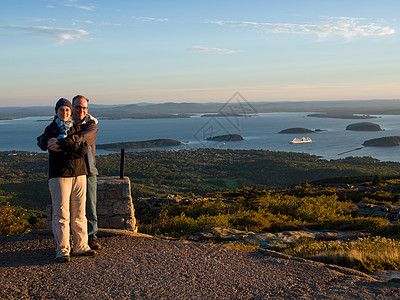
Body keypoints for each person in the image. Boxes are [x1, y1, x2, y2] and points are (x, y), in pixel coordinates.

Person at [37, 98, 95, 263]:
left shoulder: (78, 127)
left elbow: (82, 150)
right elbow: (52, 149)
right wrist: (66, 147)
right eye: (61, 110)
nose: (65, 113)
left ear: (71, 112)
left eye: (67, 110)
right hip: (60, 175)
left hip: (79, 174)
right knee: (61, 213)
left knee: (79, 213)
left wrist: (62, 145)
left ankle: (81, 246)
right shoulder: (51, 129)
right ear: (56, 111)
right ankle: (62, 250)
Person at [48, 95, 101, 250]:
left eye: (84, 107)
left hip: (87, 169)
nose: (81, 110)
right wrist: (45, 141)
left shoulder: (90, 124)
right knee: (64, 207)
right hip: (66, 171)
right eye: (77, 107)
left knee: (87, 206)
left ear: (87, 109)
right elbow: (46, 137)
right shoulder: (63, 124)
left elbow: (84, 139)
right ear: (72, 108)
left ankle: (91, 236)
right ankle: (68, 240)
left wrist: (62, 143)